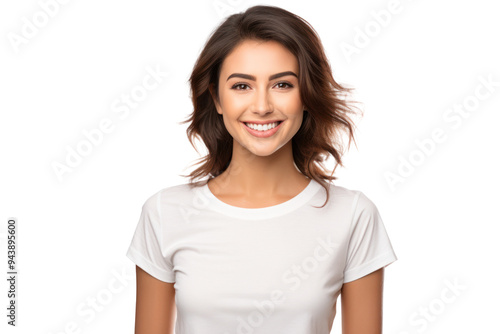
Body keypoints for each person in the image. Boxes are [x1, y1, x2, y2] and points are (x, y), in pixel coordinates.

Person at [126, 5, 397, 334]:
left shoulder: (353, 215)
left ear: (307, 96)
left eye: (282, 85)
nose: (262, 106)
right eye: (242, 86)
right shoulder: (164, 213)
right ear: (217, 98)